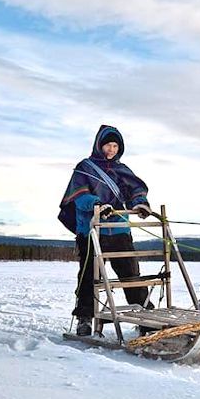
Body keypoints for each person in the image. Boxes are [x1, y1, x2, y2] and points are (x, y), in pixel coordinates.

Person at [58, 125, 152, 336]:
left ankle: (146, 318)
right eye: (108, 145)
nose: (111, 149)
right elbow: (79, 197)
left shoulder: (122, 169)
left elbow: (136, 189)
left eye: (115, 145)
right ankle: (84, 318)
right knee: (89, 276)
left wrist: (140, 203)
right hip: (92, 232)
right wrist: (98, 204)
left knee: (131, 274)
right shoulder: (85, 168)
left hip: (119, 230)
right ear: (99, 145)